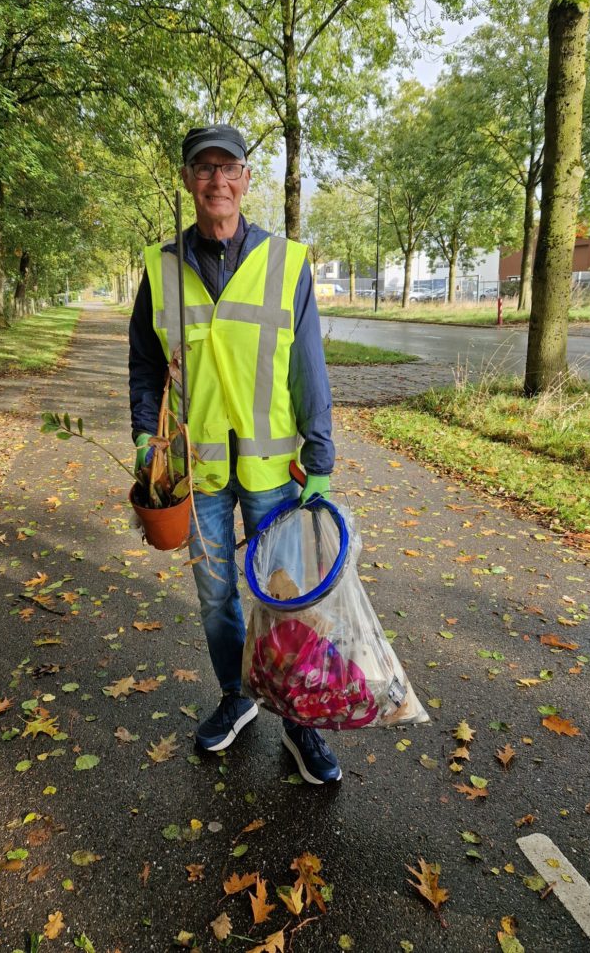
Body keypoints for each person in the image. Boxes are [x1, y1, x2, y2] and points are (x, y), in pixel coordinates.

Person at [128, 124, 340, 784]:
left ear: (247, 179)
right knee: (216, 595)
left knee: (283, 599)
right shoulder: (160, 268)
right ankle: (237, 695)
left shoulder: (286, 263)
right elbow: (143, 366)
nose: (216, 180)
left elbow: (308, 365)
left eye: (228, 167)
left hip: (274, 473)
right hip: (200, 472)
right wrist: (144, 439)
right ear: (188, 180)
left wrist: (322, 457)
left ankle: (299, 723)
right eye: (203, 168)